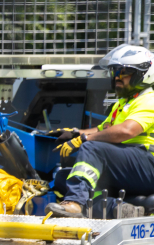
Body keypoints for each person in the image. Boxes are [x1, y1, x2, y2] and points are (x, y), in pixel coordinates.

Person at [48, 45, 154, 218]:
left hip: (148, 164)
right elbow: (101, 129)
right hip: (131, 166)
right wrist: (75, 132)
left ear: (144, 73)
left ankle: (75, 202)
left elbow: (126, 131)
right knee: (63, 177)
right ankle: (117, 208)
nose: (117, 76)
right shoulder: (122, 104)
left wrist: (84, 139)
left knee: (93, 147)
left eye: (124, 72)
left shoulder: (149, 100)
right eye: (115, 71)